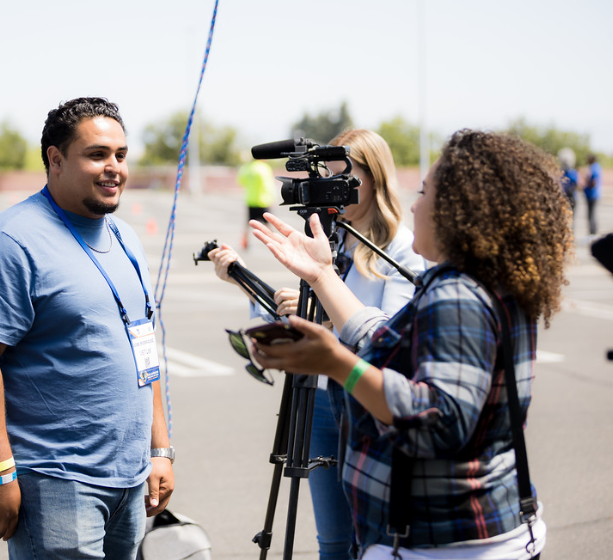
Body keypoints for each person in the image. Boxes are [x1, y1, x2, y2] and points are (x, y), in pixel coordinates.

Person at [247, 130, 570, 559]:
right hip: (479, 535)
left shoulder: (459, 294)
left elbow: (439, 420)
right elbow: (387, 341)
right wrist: (323, 276)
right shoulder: (492, 284)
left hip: (445, 546)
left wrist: (338, 364)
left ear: (462, 211)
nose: (415, 204)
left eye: (425, 193)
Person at [0, 97, 174, 559]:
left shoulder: (124, 236)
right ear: (55, 159)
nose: (114, 168)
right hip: (56, 481)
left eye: (121, 155)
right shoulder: (7, 243)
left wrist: (160, 449)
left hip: (130, 478)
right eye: (97, 155)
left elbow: (142, 345)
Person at [210, 129, 425, 560]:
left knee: (374, 540)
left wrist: (322, 309)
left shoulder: (401, 245)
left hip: (371, 402)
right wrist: (243, 281)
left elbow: (389, 336)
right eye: (325, 175)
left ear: (372, 178)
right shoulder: (327, 236)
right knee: (332, 543)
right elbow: (301, 322)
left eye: (340, 176)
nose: (330, 187)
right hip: (323, 404)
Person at [237, 158, 276, 249]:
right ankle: (274, 241)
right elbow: (268, 185)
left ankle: (245, 243)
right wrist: (272, 197)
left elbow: (241, 181)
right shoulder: (264, 168)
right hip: (264, 200)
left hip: (251, 200)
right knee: (268, 223)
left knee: (249, 223)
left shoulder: (247, 168)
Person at [583, 153, 602, 236]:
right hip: (592, 194)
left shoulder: (594, 168)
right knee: (592, 214)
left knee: (591, 214)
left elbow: (593, 181)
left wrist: (586, 185)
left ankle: (592, 232)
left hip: (592, 195)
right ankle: (593, 231)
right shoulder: (596, 167)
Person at [557, 147, 578, 216]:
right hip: (564, 197)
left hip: (571, 197)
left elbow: (575, 183)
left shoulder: (571, 172)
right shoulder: (563, 172)